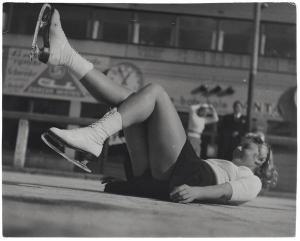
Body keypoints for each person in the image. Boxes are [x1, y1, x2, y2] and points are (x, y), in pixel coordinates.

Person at [35, 5, 277, 204]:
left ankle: (95, 134)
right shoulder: (225, 164)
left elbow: (228, 191)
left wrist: (198, 193)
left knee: (156, 92)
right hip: (163, 175)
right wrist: (131, 186)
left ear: (259, 160)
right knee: (132, 101)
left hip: (189, 176)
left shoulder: (251, 179)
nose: (239, 147)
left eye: (247, 147)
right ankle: (64, 55)